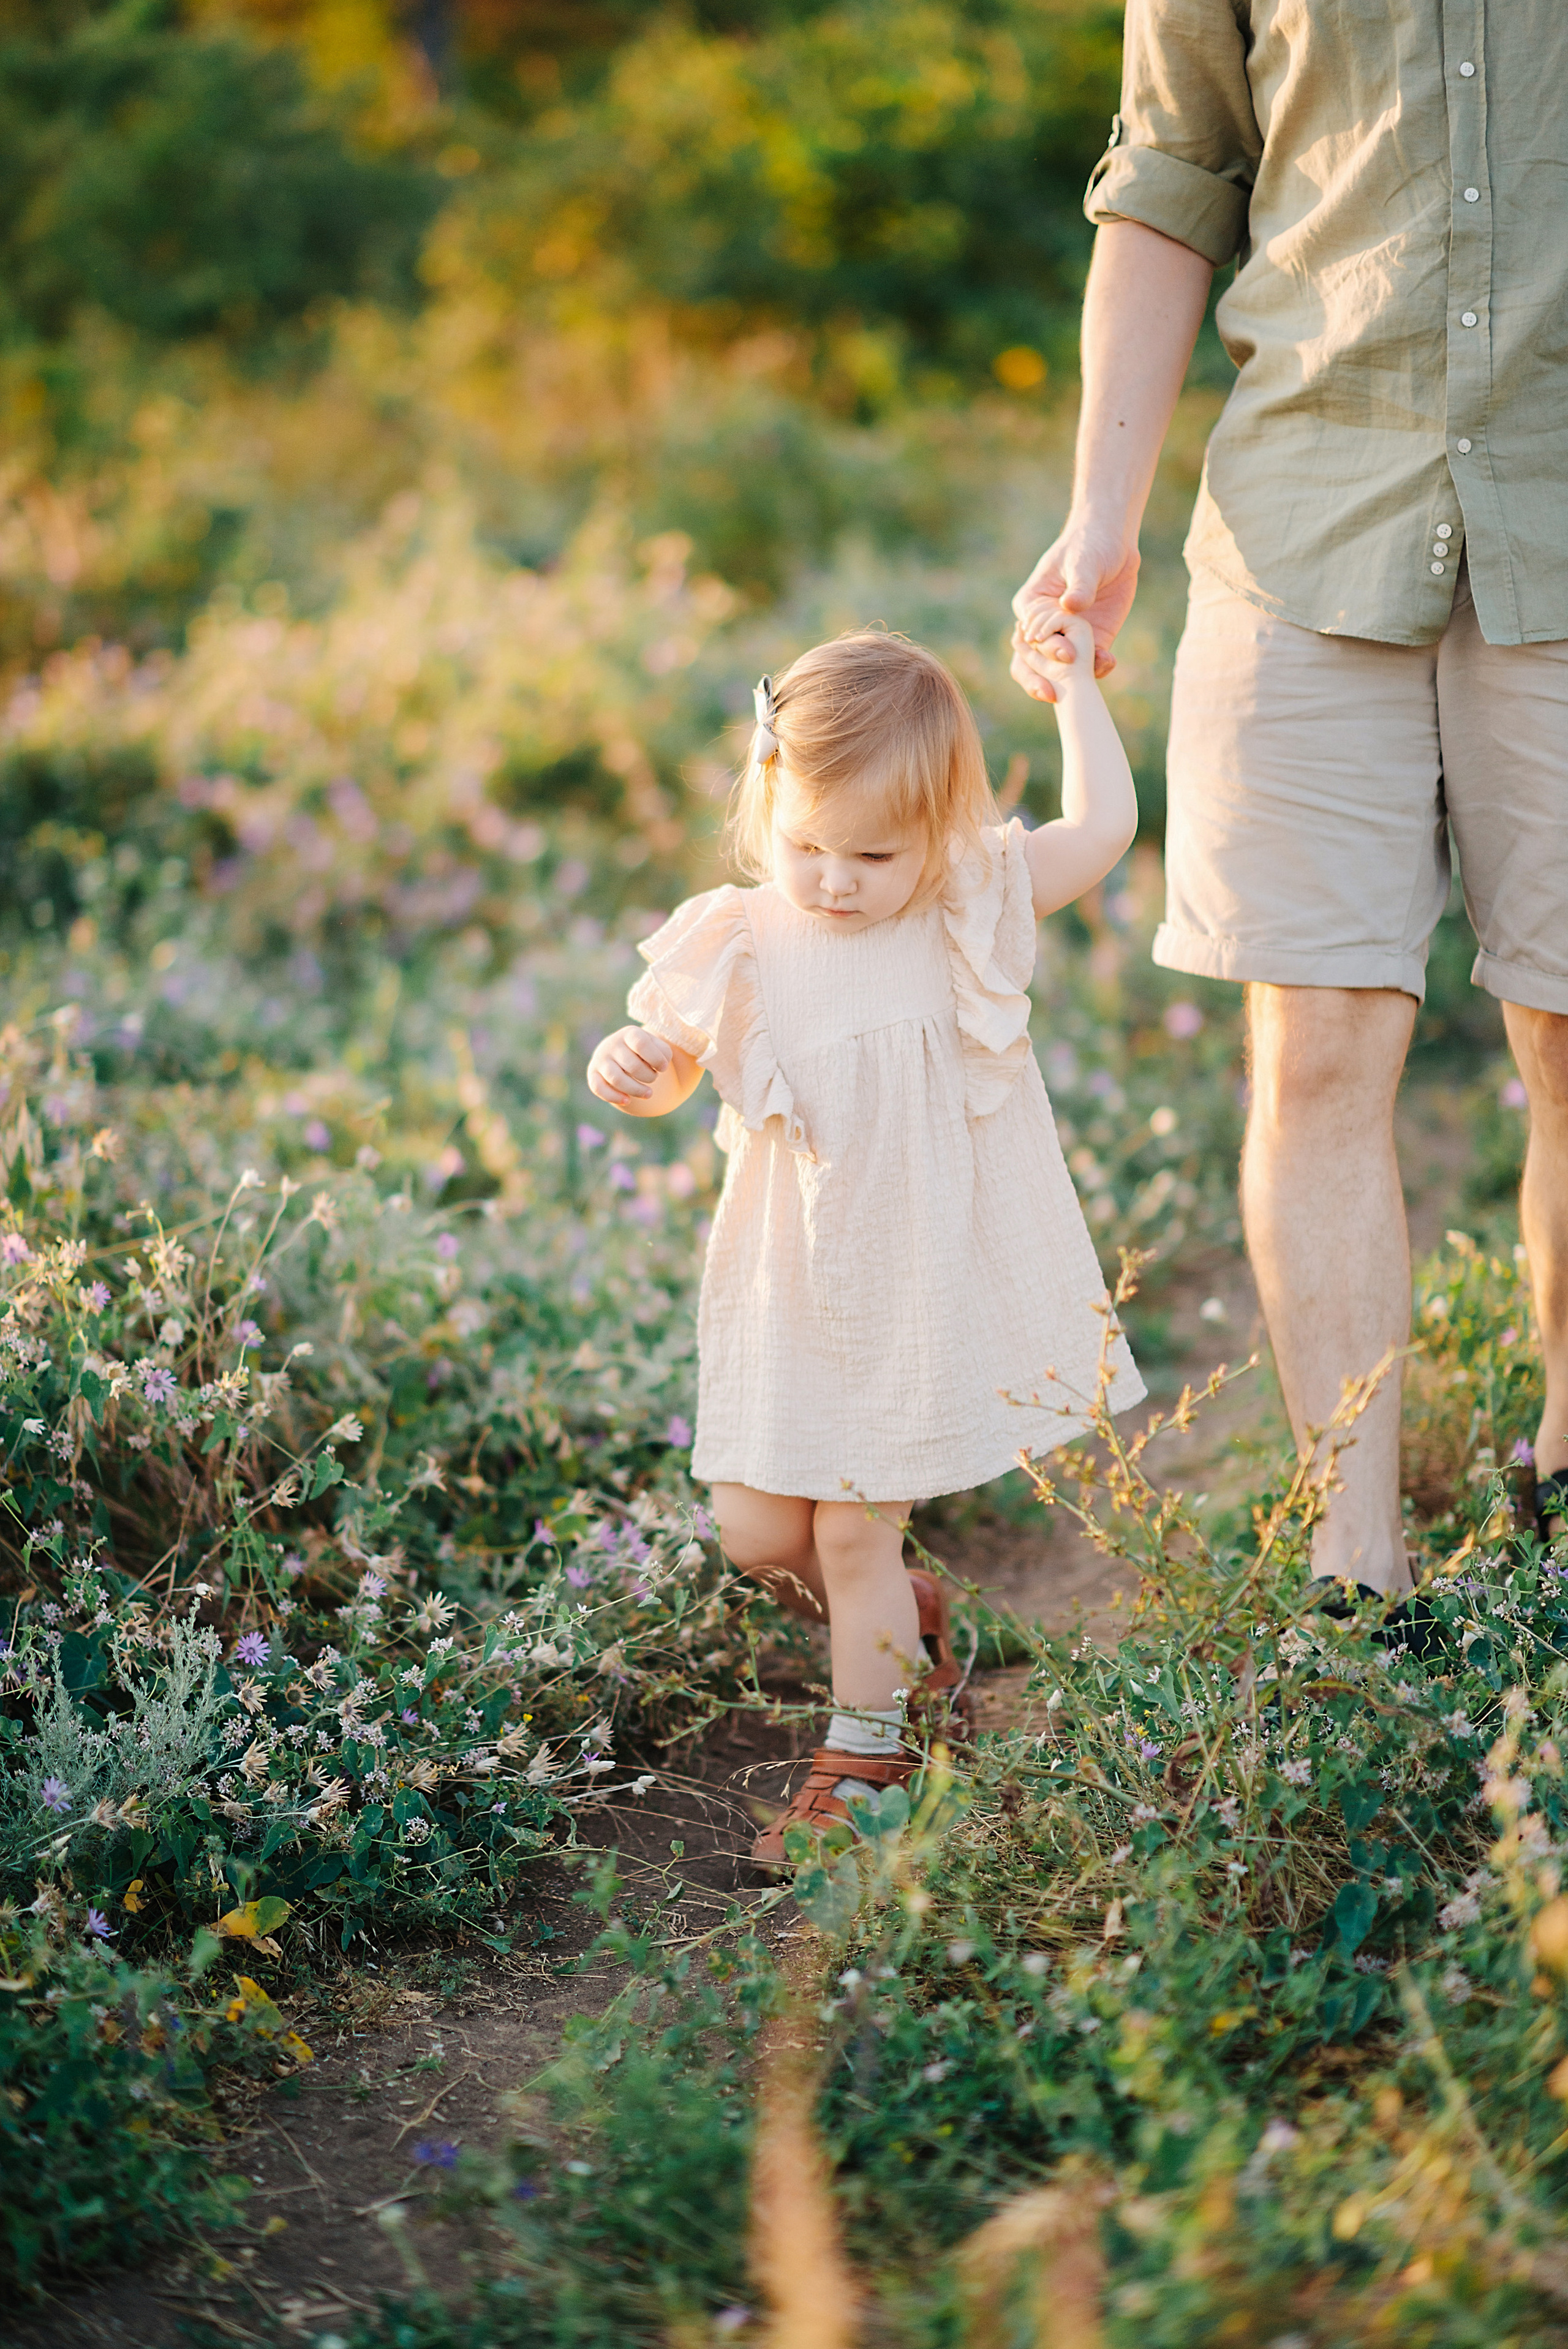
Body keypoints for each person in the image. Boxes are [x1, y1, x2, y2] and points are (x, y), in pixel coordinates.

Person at [1011, 2, 1568, 1593]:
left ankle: (1565, 1444)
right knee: (1315, 1040)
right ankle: (1354, 1555)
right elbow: (1177, 170)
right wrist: (1099, 518)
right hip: (1311, 521)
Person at [587, 622, 1144, 1863]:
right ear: (766, 807)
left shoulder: (961, 900)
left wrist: (1070, 691)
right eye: (805, 847)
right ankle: (904, 1622)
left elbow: (1100, 829)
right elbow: (674, 1065)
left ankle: (864, 1763)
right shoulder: (736, 932)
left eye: (871, 854)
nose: (834, 880)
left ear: (938, 830)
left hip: (909, 1274)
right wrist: (631, 1069)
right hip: (786, 1280)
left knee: (849, 1526)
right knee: (757, 1533)